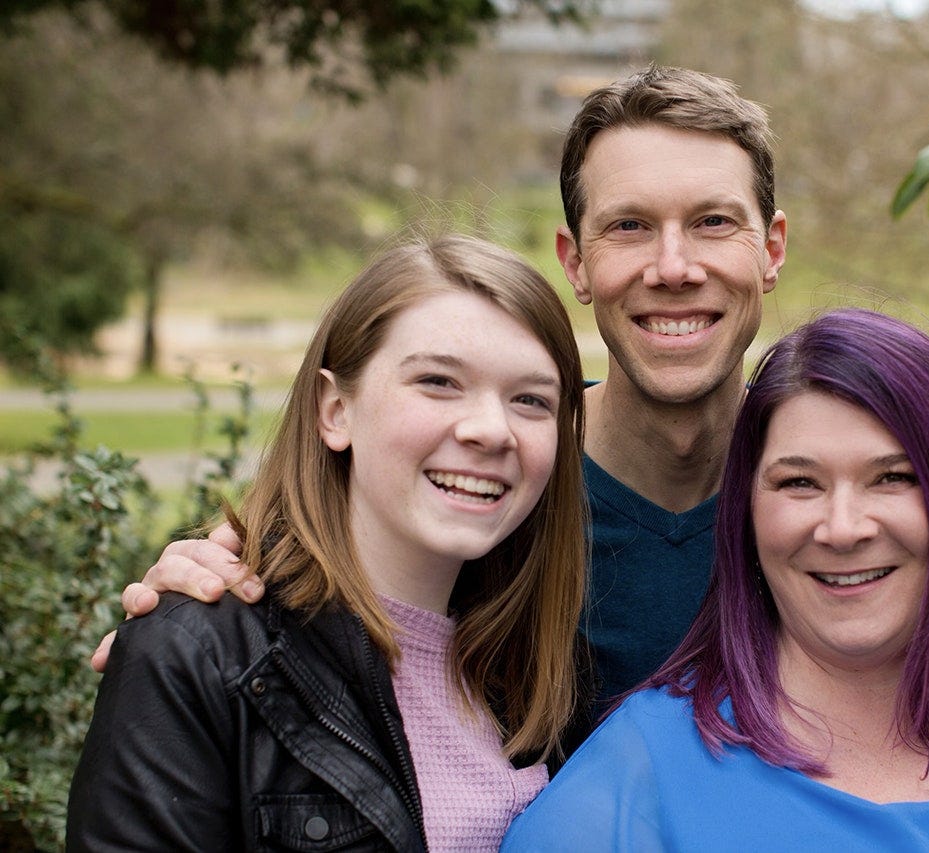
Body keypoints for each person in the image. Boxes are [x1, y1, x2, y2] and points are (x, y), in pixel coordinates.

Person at [92, 65, 788, 718]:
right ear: (576, 263)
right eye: (629, 226)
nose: (673, 267)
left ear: (772, 251)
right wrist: (198, 623)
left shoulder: (846, 494)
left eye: (714, 222)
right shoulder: (482, 480)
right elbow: (295, 577)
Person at [500, 308, 929, 850]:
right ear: (747, 515)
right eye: (800, 481)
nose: (843, 527)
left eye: (893, 477)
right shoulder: (631, 788)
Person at [66, 233, 588, 851]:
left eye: (530, 400)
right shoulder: (201, 656)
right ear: (335, 409)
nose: (490, 430)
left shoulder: (537, 667)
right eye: (439, 382)